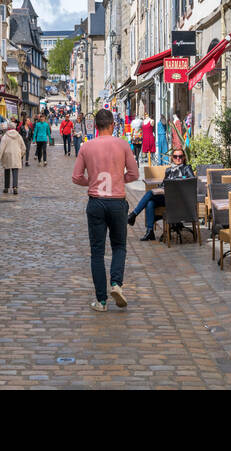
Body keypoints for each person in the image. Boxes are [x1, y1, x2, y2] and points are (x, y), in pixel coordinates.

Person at [72, 108, 139, 311]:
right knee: (119, 246)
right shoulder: (122, 145)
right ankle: (116, 283)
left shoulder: (86, 147)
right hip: (117, 201)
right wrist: (119, 179)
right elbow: (134, 174)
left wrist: (91, 181)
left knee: (97, 252)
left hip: (96, 202)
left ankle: (101, 301)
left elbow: (76, 177)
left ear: (96, 126)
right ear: (112, 125)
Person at [127, 144, 195, 240]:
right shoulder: (169, 170)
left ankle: (133, 215)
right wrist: (160, 190)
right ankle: (149, 231)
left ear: (184, 157)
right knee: (150, 201)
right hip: (167, 198)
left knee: (149, 195)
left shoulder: (187, 168)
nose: (178, 159)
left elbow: (192, 180)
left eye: (180, 156)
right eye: (175, 156)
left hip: (179, 200)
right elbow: (163, 184)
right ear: (172, 158)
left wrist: (178, 179)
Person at [0, 119, 25, 195]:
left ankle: (6, 187)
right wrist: (20, 155)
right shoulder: (18, 136)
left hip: (7, 155)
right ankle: (15, 187)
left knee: (7, 171)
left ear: (8, 128)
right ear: (14, 128)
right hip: (16, 154)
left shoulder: (5, 136)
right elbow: (24, 148)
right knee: (15, 171)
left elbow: (1, 149)